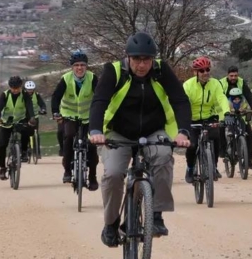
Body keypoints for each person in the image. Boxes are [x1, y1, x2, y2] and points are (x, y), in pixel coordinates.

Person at [89, 32, 192, 244]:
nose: (142, 64)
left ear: (153, 59)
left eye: (147, 59)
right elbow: (99, 101)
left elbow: (180, 100)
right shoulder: (114, 71)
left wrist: (183, 131)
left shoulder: (161, 71)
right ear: (128, 57)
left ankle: (156, 216)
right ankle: (111, 223)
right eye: (137, 59)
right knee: (113, 174)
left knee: (163, 157)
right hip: (118, 133)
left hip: (154, 130)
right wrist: (96, 131)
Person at [52, 51, 99, 188]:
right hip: (69, 115)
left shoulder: (92, 78)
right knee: (68, 136)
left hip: (88, 116)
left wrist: (100, 112)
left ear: (86, 66)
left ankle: (92, 176)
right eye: (76, 65)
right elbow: (56, 97)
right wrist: (55, 112)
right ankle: (67, 170)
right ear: (72, 67)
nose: (79, 68)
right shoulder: (66, 79)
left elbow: (100, 96)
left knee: (91, 143)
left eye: (82, 65)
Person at [183, 56, 232, 183]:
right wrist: (184, 120)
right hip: (192, 119)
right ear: (195, 72)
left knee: (216, 137)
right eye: (202, 70)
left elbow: (221, 98)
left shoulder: (215, 83)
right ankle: (190, 168)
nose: (205, 73)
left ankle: (213, 167)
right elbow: (183, 103)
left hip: (210, 117)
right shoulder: (188, 85)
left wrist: (227, 113)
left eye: (207, 69)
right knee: (192, 145)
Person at [0, 76, 36, 180]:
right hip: (6, 121)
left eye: (17, 88)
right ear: (10, 87)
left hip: (20, 119)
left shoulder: (25, 95)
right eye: (13, 88)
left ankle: (24, 151)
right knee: (2, 146)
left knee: (27, 130)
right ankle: (2, 168)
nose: (15, 90)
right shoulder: (5, 95)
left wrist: (32, 117)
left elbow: (29, 106)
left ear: (20, 87)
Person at [220, 66, 252, 169]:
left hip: (241, 111)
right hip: (225, 111)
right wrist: (226, 111)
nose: (233, 78)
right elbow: (219, 98)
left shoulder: (241, 82)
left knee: (249, 134)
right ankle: (224, 152)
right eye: (231, 76)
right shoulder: (221, 83)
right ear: (227, 75)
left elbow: (248, 95)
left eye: (235, 75)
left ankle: (248, 161)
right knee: (221, 129)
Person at [224, 87, 252, 169]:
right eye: (235, 99)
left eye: (238, 98)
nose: (237, 100)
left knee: (242, 124)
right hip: (231, 117)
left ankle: (242, 135)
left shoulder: (243, 102)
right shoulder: (228, 102)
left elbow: (246, 108)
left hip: (240, 117)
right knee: (230, 124)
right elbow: (226, 109)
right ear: (231, 98)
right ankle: (229, 148)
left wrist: (246, 110)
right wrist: (230, 111)